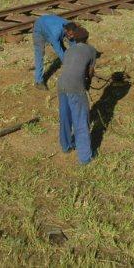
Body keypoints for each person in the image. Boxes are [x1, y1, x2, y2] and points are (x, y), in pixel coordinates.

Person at [56, 26, 96, 165]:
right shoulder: (91, 50)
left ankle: (66, 146)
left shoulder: (69, 51)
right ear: (86, 39)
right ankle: (85, 157)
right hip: (75, 87)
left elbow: (70, 67)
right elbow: (89, 72)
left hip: (61, 85)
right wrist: (87, 83)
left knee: (65, 117)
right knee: (81, 120)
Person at [32, 15, 78, 90]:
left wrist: (78, 59)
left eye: (72, 35)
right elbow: (59, 51)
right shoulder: (55, 33)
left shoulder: (70, 26)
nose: (70, 37)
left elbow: (74, 44)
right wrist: (69, 66)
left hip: (51, 25)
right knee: (39, 54)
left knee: (70, 46)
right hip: (40, 27)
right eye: (69, 35)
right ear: (66, 31)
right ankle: (38, 81)